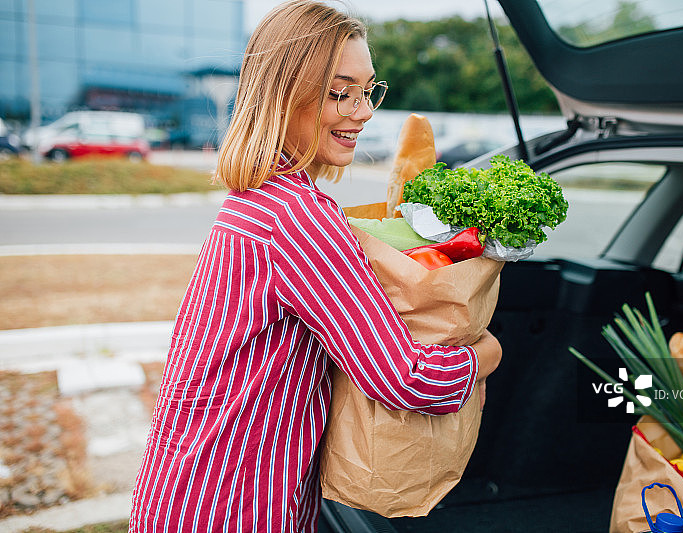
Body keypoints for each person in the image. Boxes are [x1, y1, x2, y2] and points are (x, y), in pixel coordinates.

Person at [128, 1, 502, 531]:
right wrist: (487, 353)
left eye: (368, 90)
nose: (363, 112)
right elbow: (406, 380)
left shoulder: (257, 198)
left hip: (188, 490)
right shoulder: (298, 215)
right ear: (284, 94)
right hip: (237, 505)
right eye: (339, 93)